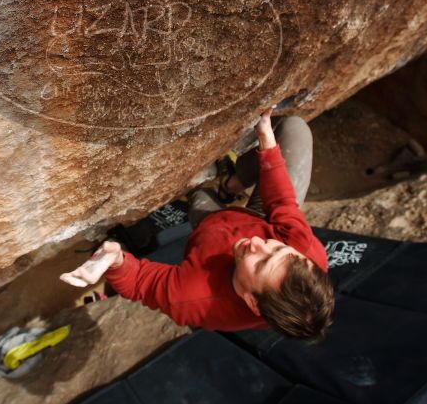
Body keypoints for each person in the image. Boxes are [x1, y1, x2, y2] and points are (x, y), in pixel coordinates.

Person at [61, 107, 334, 341]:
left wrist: (115, 260)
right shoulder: (306, 255)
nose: (259, 245)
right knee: (293, 129)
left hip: (210, 226)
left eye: (262, 263)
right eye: (277, 249)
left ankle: (215, 194)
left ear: (252, 301)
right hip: (260, 218)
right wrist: (266, 140)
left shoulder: (198, 299)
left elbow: (142, 283)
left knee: (201, 196)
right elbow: (283, 205)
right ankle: (232, 184)